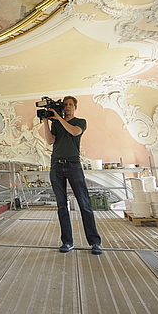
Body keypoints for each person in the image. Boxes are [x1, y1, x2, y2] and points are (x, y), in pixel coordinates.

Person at [40, 96, 102, 255]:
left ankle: (95, 242)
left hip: (73, 165)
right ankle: (67, 241)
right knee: (61, 206)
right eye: (65, 105)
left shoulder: (80, 122)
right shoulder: (57, 123)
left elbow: (74, 132)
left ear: (75, 107)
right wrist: (46, 121)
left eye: (70, 105)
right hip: (56, 165)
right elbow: (49, 141)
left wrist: (59, 118)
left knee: (84, 204)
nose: (67, 107)